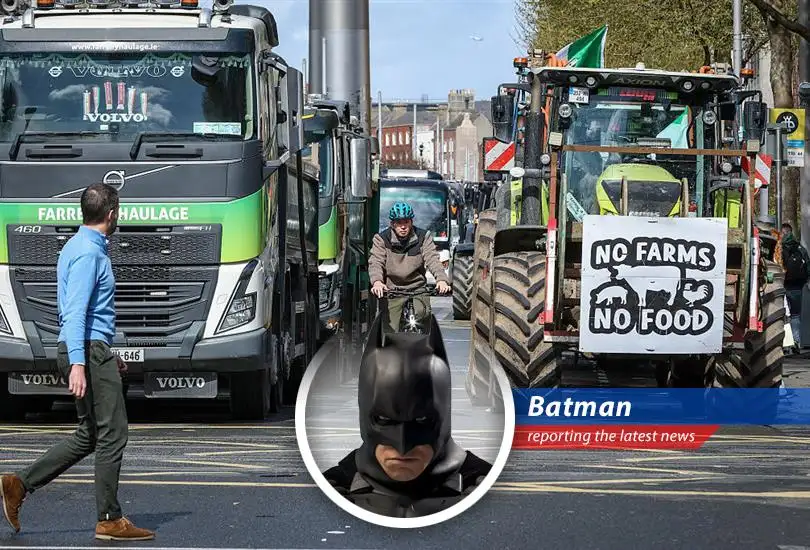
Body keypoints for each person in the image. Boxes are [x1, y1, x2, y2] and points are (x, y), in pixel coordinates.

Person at [0, 183, 155, 541]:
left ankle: (19, 485)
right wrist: (81, 364)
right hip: (84, 349)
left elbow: (87, 314)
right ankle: (109, 519)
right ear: (112, 214)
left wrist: (105, 354)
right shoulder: (90, 254)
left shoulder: (77, 245)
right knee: (114, 433)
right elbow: (75, 312)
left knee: (89, 435)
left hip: (90, 349)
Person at [323, 315, 492, 518]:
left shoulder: (485, 486)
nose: (402, 446)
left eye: (421, 421)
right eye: (385, 420)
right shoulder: (331, 488)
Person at [369, 202, 451, 333]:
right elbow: (376, 262)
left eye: (406, 222)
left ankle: (424, 349)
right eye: (399, 223)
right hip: (393, 289)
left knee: (423, 316)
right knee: (390, 329)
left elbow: (432, 259)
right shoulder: (381, 239)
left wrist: (441, 279)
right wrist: (377, 282)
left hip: (417, 288)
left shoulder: (423, 237)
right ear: (392, 224)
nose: (403, 227)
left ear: (411, 222)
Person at [781, 222, 810, 351]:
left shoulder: (779, 247)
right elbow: (808, 266)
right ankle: (796, 341)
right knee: (795, 315)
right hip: (797, 286)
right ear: (791, 232)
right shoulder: (800, 248)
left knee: (782, 314)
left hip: (781, 285)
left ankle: (784, 343)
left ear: (782, 233)